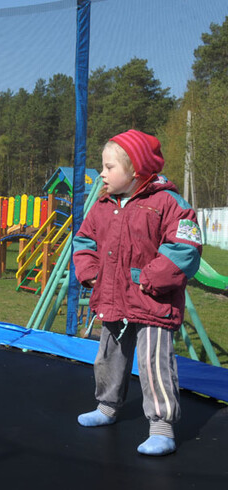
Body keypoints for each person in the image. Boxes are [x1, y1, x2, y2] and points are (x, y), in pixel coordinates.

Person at [73, 129, 202, 456]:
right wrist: (89, 272)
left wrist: (152, 276)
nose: (101, 173)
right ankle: (107, 407)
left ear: (136, 171)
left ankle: (161, 427)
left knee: (153, 363)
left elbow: (184, 247)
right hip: (112, 299)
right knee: (108, 358)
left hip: (152, 302)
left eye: (109, 166)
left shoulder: (169, 203)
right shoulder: (102, 205)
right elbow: (85, 242)